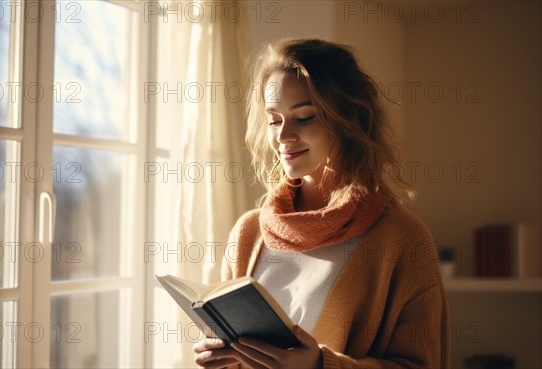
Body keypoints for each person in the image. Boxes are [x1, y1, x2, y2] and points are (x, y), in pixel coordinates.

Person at [193, 38, 450, 369]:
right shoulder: (248, 233)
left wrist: (320, 366)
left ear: (348, 118)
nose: (283, 135)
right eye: (273, 119)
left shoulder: (403, 239)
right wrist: (214, 354)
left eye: (303, 117)